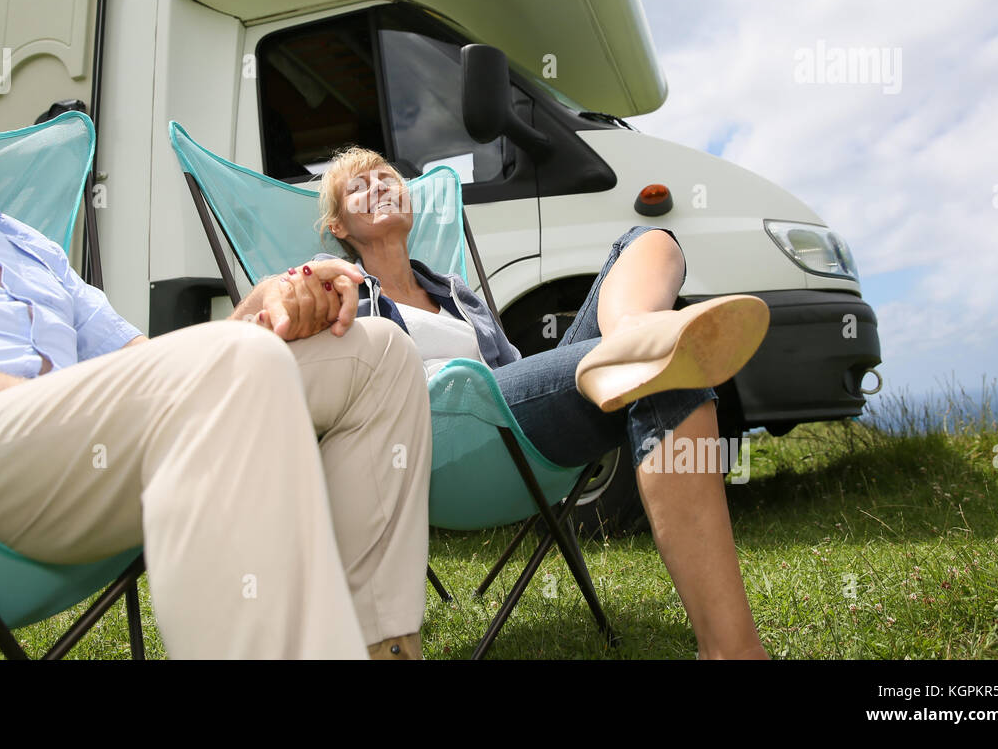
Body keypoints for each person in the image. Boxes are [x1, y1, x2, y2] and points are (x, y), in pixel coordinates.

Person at [0, 17, 431, 660]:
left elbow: (154, 372)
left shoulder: (30, 247)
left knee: (378, 355)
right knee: (233, 364)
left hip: (68, 461)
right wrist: (40, 398)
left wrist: (266, 306)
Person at [317, 146, 772, 660]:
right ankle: (733, 651)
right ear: (338, 226)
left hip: (508, 421)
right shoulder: (340, 288)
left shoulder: (454, 292)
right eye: (360, 186)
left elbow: (512, 371)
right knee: (668, 363)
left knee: (649, 241)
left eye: (387, 176)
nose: (379, 185)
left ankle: (631, 334)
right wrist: (327, 275)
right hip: (443, 442)